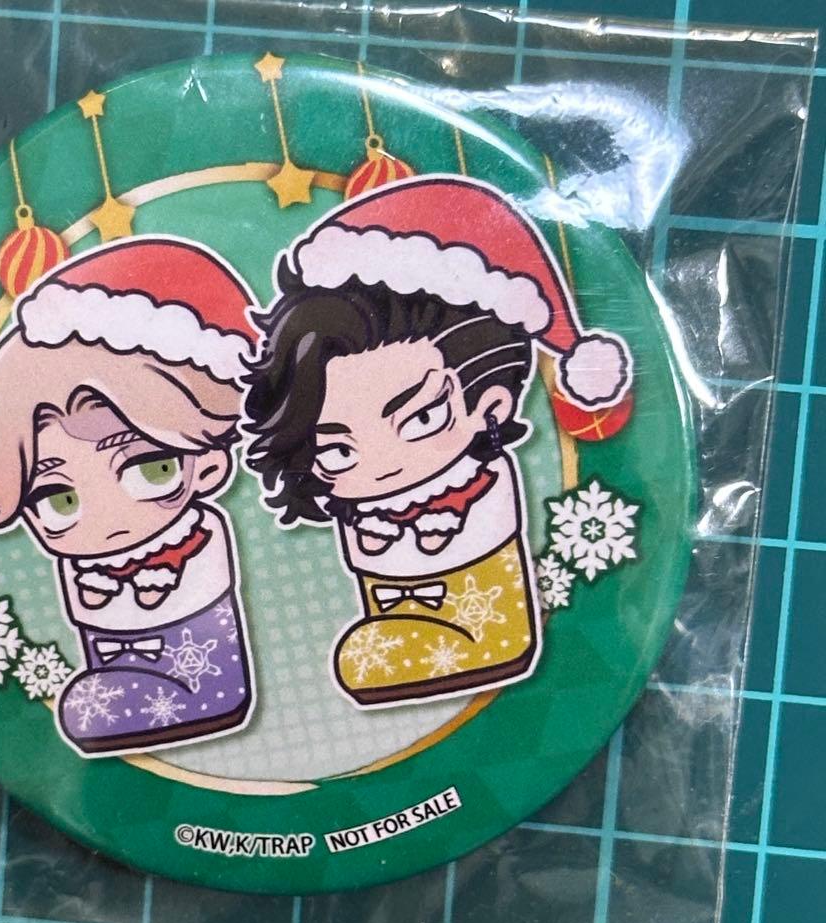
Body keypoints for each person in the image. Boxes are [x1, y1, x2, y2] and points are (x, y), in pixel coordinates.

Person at [245, 175, 633, 707]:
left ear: (491, 405)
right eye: (338, 450)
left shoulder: (484, 482)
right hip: (396, 632)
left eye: (421, 417)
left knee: (369, 657)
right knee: (369, 652)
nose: (381, 466)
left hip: (493, 633)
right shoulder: (360, 509)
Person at [0, 237, 258, 755]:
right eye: (58, 499)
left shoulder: (201, 537)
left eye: (151, 469)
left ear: (208, 465)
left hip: (206, 680)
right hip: (115, 686)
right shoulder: (81, 565)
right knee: (95, 695)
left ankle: (200, 700)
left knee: (105, 700)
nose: (111, 521)